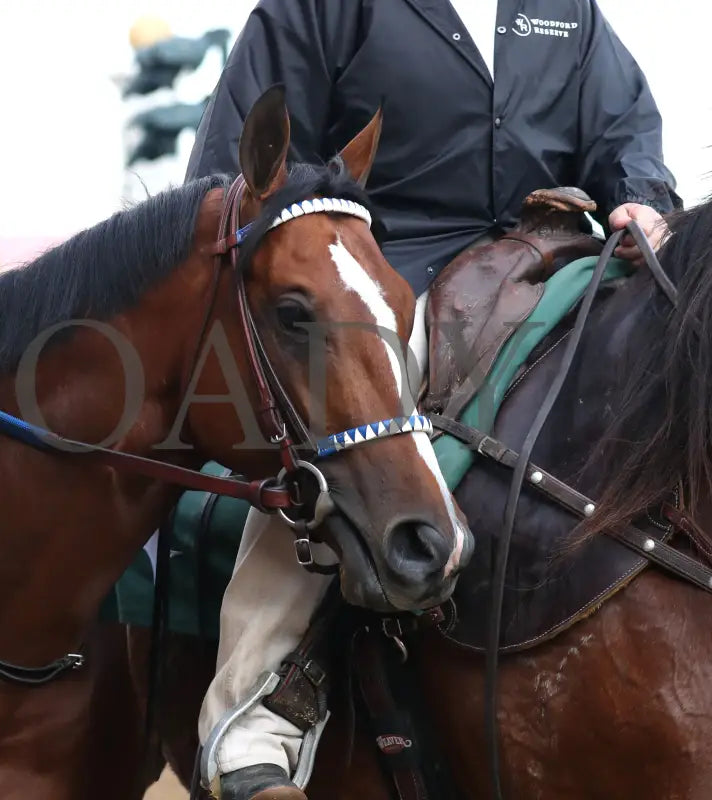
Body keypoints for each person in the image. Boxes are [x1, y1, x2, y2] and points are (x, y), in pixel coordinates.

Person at [183, 1, 681, 798]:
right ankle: (257, 714)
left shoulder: (563, 11)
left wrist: (642, 194)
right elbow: (232, 178)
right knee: (358, 407)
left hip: (559, 265)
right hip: (390, 278)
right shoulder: (319, 10)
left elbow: (624, 125)